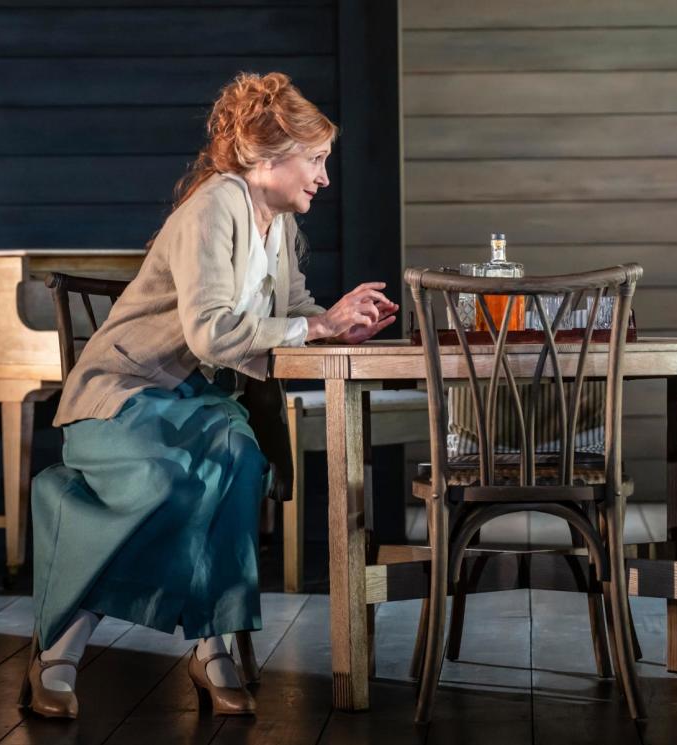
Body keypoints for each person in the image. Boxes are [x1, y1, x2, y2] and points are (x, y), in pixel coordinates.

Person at [20, 71, 398, 719]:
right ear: (268, 158)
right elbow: (211, 330)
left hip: (194, 400)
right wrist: (316, 326)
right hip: (120, 396)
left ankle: (211, 645)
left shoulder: (273, 223)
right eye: (315, 160)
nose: (324, 178)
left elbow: (294, 309)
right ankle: (64, 644)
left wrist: (337, 318)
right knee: (175, 481)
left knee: (241, 459)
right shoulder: (217, 204)